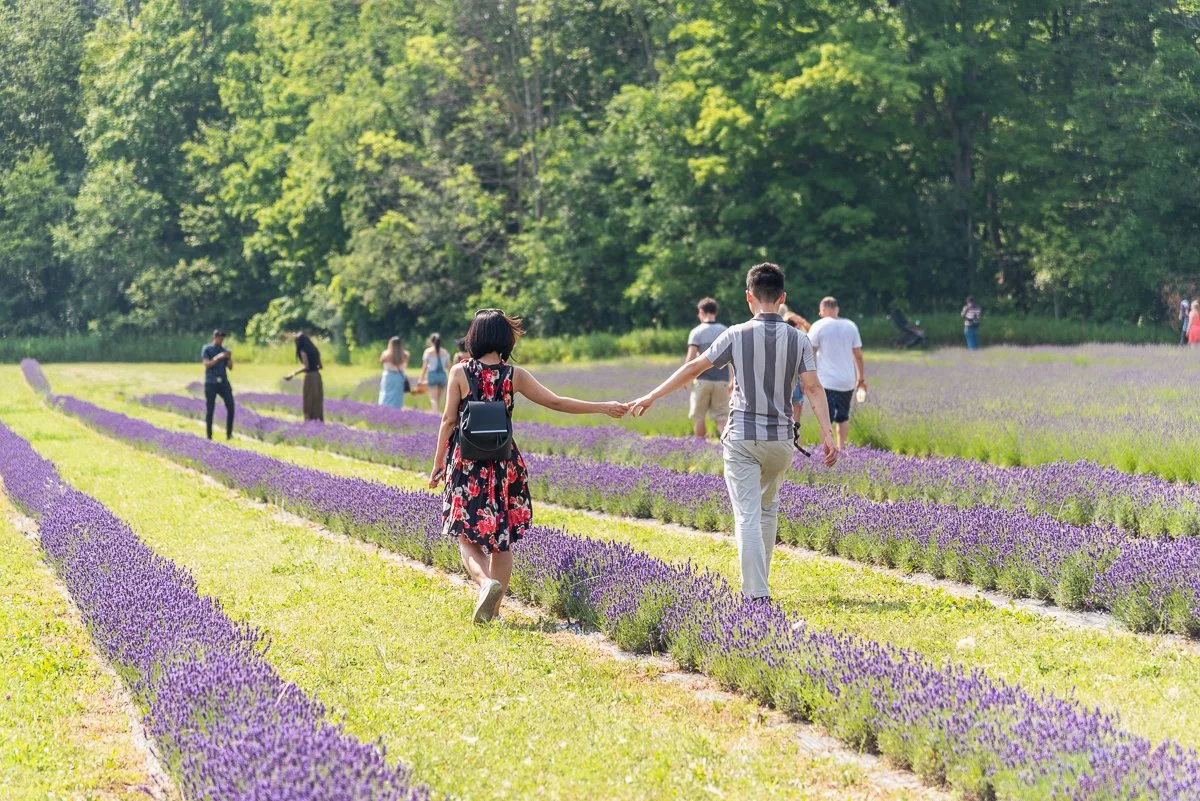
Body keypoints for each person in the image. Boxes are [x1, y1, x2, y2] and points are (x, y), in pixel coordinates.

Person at [629, 264, 837, 600]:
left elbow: (694, 367)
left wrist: (652, 395)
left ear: (748, 297)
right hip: (782, 440)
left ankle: (756, 595)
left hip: (743, 437)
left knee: (747, 516)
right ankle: (761, 584)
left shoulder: (736, 334)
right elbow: (812, 388)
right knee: (768, 511)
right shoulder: (799, 338)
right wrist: (828, 435)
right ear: (782, 297)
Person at [429, 309, 629, 623]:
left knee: (466, 537)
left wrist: (438, 462)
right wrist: (603, 407)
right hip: (504, 464)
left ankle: (485, 584)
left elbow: (448, 420)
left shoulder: (460, 372)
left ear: (474, 337)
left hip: (468, 465)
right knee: (502, 539)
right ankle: (492, 613)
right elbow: (557, 402)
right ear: (506, 339)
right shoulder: (514, 375)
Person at [807, 297, 865, 451]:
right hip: (847, 381)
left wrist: (806, 377)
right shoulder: (851, 326)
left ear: (823, 309)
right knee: (843, 416)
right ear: (837, 309)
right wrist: (861, 379)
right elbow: (858, 355)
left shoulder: (818, 326)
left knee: (826, 419)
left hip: (826, 382)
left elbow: (809, 352)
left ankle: (827, 450)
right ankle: (841, 448)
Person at [686, 298, 730, 439]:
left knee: (699, 417)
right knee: (722, 418)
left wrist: (685, 379)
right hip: (722, 380)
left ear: (701, 312)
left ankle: (701, 447)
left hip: (701, 380)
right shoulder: (726, 331)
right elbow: (732, 359)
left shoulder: (696, 332)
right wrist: (733, 380)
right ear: (715, 312)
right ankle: (728, 449)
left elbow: (691, 359)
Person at [200, 329, 235, 440]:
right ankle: (209, 436)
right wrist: (218, 357)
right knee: (210, 409)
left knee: (231, 406)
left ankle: (229, 435)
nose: (221, 340)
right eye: (219, 338)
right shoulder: (207, 349)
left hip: (223, 382)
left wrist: (229, 357)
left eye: (222, 338)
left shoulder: (224, 351)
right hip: (211, 383)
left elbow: (230, 367)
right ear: (214, 337)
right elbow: (207, 364)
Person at [284, 332, 324, 421]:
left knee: (309, 400)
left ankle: (309, 421)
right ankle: (318, 421)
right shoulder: (314, 349)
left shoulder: (303, 351)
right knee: (317, 400)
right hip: (317, 377)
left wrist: (292, 374)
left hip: (309, 377)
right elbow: (320, 366)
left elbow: (306, 367)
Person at [781, 307, 810, 425]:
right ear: (796, 325)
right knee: (796, 423)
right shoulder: (800, 339)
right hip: (796, 380)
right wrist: (802, 321)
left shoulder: (777, 337)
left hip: (779, 381)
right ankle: (796, 442)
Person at [419, 333, 452, 412]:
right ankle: (437, 414)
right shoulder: (445, 352)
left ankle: (435, 415)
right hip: (442, 376)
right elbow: (448, 367)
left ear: (431, 341)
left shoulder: (428, 352)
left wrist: (421, 378)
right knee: (438, 398)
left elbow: (424, 367)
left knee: (433, 398)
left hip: (432, 375)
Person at [379, 336, 410, 409]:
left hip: (388, 376)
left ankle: (384, 409)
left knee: (386, 394)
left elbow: (381, 361)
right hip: (400, 376)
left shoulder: (386, 354)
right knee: (397, 396)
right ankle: (396, 410)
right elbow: (405, 365)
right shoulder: (405, 355)